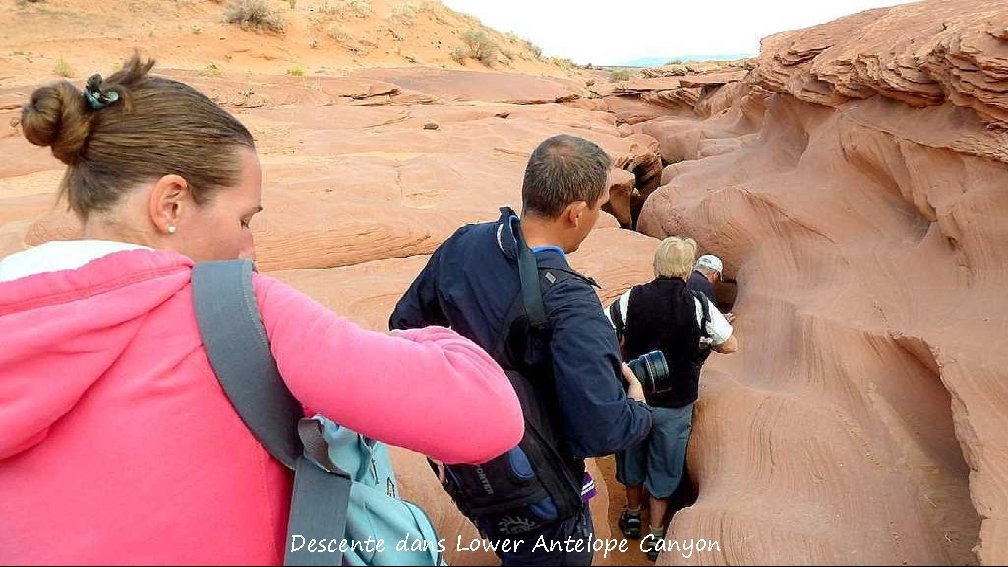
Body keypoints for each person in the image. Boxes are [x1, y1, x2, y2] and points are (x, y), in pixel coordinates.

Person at [0, 55, 524, 565]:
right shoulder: (230, 307)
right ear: (171, 205)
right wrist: (426, 339)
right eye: (244, 219)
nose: (249, 248)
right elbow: (486, 421)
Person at [390, 134, 653, 566]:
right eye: (600, 205)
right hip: (542, 497)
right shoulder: (571, 303)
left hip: (475, 474)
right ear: (575, 213)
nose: (600, 214)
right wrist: (637, 408)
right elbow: (599, 431)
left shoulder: (464, 244)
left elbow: (406, 328)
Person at [608, 237, 738, 562]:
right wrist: (705, 341)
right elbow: (731, 344)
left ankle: (632, 514)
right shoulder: (699, 304)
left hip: (636, 395)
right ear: (687, 269)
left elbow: (604, 326)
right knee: (666, 463)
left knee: (631, 454)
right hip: (676, 403)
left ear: (657, 264)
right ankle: (656, 532)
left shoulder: (632, 298)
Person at [688, 254, 735, 323]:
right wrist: (723, 320)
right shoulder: (705, 285)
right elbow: (710, 319)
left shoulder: (683, 278)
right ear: (715, 275)